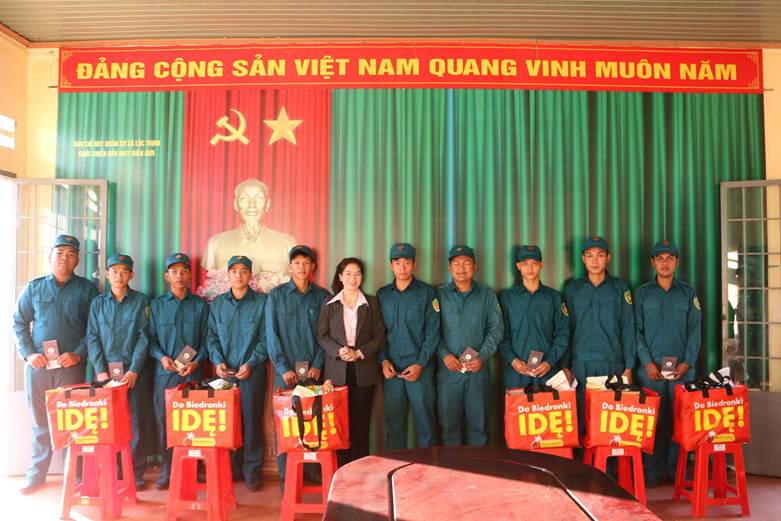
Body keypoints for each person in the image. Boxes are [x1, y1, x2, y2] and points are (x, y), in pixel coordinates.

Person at [12, 235, 98, 494]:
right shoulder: (34, 288)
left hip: (70, 367)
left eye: (70, 254)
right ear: (50, 256)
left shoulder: (87, 290)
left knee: (74, 422)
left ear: (77, 260)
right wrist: (29, 355)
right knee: (41, 422)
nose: (64, 258)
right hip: (38, 367)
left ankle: (76, 477)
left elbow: (94, 329)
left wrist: (78, 354)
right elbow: (18, 323)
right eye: (60, 253)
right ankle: (36, 475)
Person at [635, 240, 701, 486]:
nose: (665, 263)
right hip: (650, 371)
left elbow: (695, 331)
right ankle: (651, 473)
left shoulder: (688, 293)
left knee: (680, 421)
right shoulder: (642, 294)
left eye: (669, 258)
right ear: (652, 262)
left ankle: (676, 472)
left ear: (677, 262)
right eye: (660, 259)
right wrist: (647, 363)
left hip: (682, 371)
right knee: (651, 421)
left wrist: (687, 363)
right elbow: (635, 331)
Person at [86, 254, 151, 489]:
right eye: (114, 271)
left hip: (133, 375)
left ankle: (135, 472)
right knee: (107, 423)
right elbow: (92, 337)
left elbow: (144, 338)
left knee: (135, 421)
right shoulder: (98, 304)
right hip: (106, 376)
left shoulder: (141, 301)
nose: (119, 276)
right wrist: (100, 372)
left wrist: (134, 370)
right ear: (107, 274)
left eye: (124, 271)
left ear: (131, 275)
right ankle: (111, 470)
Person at [266, 245, 329, 479]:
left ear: (313, 266)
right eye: (297, 262)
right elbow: (272, 335)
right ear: (290, 266)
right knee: (286, 423)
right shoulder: (276, 296)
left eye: (306, 262)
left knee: (314, 421)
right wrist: (283, 368)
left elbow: (327, 335)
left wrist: (318, 364)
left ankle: (312, 472)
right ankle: (287, 476)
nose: (301, 267)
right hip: (286, 375)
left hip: (314, 373)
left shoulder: (322, 296)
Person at [148, 253, 209, 490]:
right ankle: (168, 469)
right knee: (165, 423)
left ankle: (194, 468)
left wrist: (197, 362)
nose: (179, 275)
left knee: (193, 422)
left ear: (190, 275)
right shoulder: (156, 305)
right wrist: (162, 357)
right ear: (167, 276)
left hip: (192, 374)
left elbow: (206, 340)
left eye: (184, 271)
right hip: (165, 374)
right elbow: (150, 340)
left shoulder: (200, 305)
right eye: (174, 271)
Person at [207, 255, 268, 491]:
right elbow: (212, 337)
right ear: (228, 274)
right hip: (224, 374)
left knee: (252, 421)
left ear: (250, 275)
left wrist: (251, 363)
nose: (239, 275)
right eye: (234, 271)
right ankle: (231, 469)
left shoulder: (262, 302)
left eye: (244, 271)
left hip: (252, 372)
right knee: (227, 422)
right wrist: (218, 361)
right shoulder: (218, 304)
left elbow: (265, 338)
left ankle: (252, 471)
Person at [317, 257, 385, 465]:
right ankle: (341, 469)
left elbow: (379, 337)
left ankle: (360, 468)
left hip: (363, 370)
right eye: (348, 274)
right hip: (336, 371)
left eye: (357, 274)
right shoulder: (329, 303)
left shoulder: (371, 303)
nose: (352, 278)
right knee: (338, 424)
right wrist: (339, 350)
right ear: (340, 276)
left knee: (361, 424)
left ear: (362, 277)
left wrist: (359, 353)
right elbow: (322, 336)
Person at [564, 236, 636, 431]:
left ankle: (606, 454)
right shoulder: (573, 289)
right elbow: (566, 329)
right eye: (590, 256)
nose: (595, 261)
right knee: (581, 418)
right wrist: (565, 366)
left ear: (608, 258)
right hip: (580, 364)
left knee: (608, 421)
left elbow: (628, 327)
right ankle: (581, 453)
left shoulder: (620, 288)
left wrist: (629, 366)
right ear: (583, 259)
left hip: (612, 362)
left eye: (600, 255)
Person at [436, 245, 503, 446]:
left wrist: (482, 356)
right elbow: (431, 332)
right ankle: (452, 466)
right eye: (456, 263)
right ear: (449, 268)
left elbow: (496, 330)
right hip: (449, 373)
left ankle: (479, 466)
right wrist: (444, 355)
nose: (461, 268)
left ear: (474, 267)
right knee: (449, 427)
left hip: (478, 372)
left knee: (479, 427)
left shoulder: (487, 295)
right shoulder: (439, 295)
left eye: (466, 263)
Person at [377, 243, 440, 450]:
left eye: (407, 262)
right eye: (397, 263)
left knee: (426, 423)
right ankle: (396, 466)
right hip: (392, 370)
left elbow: (433, 332)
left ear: (414, 264)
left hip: (420, 369)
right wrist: (383, 361)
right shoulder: (383, 295)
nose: (402, 267)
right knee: (394, 425)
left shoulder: (427, 293)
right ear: (391, 265)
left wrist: (420, 364)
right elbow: (378, 333)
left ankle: (429, 465)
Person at [499, 245, 569, 390]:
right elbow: (501, 335)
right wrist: (513, 361)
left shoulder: (553, 297)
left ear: (541, 265)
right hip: (517, 372)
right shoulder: (507, 298)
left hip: (547, 371)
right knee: (517, 405)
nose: (530, 268)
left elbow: (562, 333)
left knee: (548, 405)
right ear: (518, 266)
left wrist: (549, 361)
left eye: (534, 263)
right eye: (525, 264)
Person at [202, 179, 295, 278]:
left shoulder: (287, 244)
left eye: (259, 198)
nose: (252, 205)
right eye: (244, 199)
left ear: (267, 204)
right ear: (235, 204)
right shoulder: (215, 244)